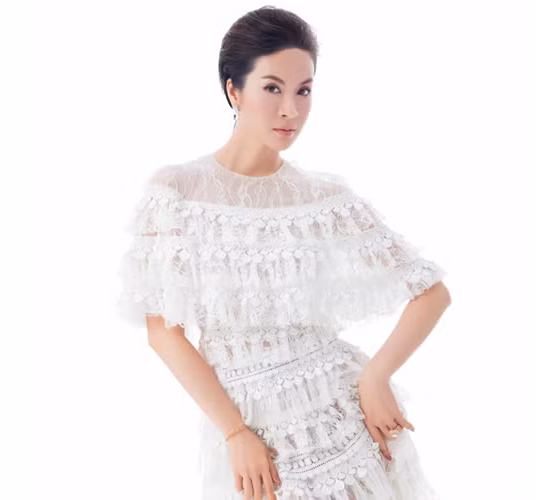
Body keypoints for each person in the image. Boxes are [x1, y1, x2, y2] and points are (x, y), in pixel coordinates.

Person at [116, 6, 451, 500]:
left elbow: (432, 293)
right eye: (272, 88)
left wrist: (375, 377)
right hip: (250, 434)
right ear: (233, 90)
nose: (291, 110)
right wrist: (234, 432)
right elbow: (163, 331)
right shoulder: (178, 192)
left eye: (304, 90)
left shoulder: (324, 199)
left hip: (345, 421)